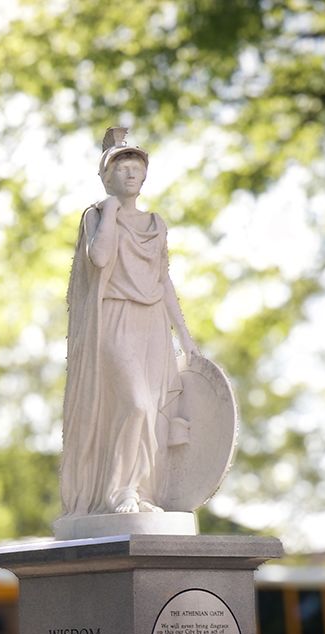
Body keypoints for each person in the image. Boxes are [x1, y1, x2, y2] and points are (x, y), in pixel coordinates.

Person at [60, 128, 199, 517]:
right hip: (115, 318)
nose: (131, 175)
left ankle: (137, 490)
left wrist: (185, 338)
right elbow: (100, 258)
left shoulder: (157, 223)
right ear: (107, 177)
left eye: (137, 168)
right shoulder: (97, 216)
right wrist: (110, 212)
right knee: (136, 405)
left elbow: (163, 278)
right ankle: (118, 492)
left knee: (153, 413)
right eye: (122, 169)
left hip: (152, 321)